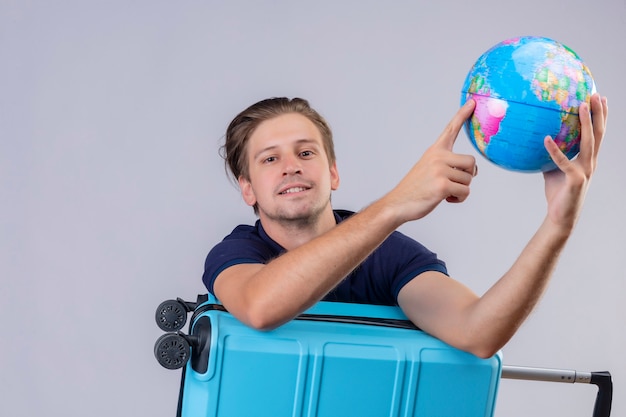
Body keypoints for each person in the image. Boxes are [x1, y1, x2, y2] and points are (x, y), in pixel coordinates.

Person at [202, 94, 608, 359]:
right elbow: (261, 307)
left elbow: (479, 331)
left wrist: (557, 225)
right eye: (269, 159)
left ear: (333, 173)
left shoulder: (390, 255)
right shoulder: (235, 255)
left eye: (305, 152)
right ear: (248, 190)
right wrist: (396, 204)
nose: (291, 165)